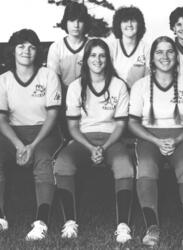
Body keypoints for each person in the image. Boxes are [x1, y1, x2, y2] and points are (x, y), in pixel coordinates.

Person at [53, 39, 134, 244]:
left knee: (125, 167)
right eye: (93, 55)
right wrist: (91, 147)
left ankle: (123, 225)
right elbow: (72, 127)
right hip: (83, 139)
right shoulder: (74, 87)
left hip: (112, 139)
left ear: (108, 59)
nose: (97, 60)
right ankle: (70, 222)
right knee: (62, 164)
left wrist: (103, 147)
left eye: (102, 55)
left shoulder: (118, 85)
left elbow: (120, 126)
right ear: (86, 58)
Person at [129, 36, 183, 248]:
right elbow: (133, 123)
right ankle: (152, 226)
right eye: (159, 52)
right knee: (146, 169)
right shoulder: (141, 85)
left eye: (170, 51)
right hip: (149, 137)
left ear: (176, 56)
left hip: (182, 135)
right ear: (152, 58)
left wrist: (177, 139)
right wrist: (155, 140)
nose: (165, 56)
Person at [0, 29, 62, 240]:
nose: (26, 51)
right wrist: (18, 144)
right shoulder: (4, 79)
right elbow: (1, 120)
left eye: (32, 47)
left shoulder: (48, 75)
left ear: (38, 52)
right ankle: (1, 217)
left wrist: (32, 146)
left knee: (44, 160)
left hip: (44, 133)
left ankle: (41, 221)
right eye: (21, 46)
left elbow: (53, 115)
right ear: (13, 50)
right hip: (13, 135)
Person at [47, 1, 91, 139]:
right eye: (72, 20)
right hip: (64, 97)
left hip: (89, 94)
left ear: (86, 23)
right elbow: (53, 79)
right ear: (65, 22)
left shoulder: (91, 45)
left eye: (80, 21)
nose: (76, 25)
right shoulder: (56, 47)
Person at [109, 6, 149, 88]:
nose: (130, 24)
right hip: (116, 93)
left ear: (139, 24)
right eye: (125, 21)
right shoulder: (112, 47)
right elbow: (107, 75)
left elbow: (148, 78)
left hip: (139, 93)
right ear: (119, 25)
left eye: (133, 21)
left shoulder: (146, 48)